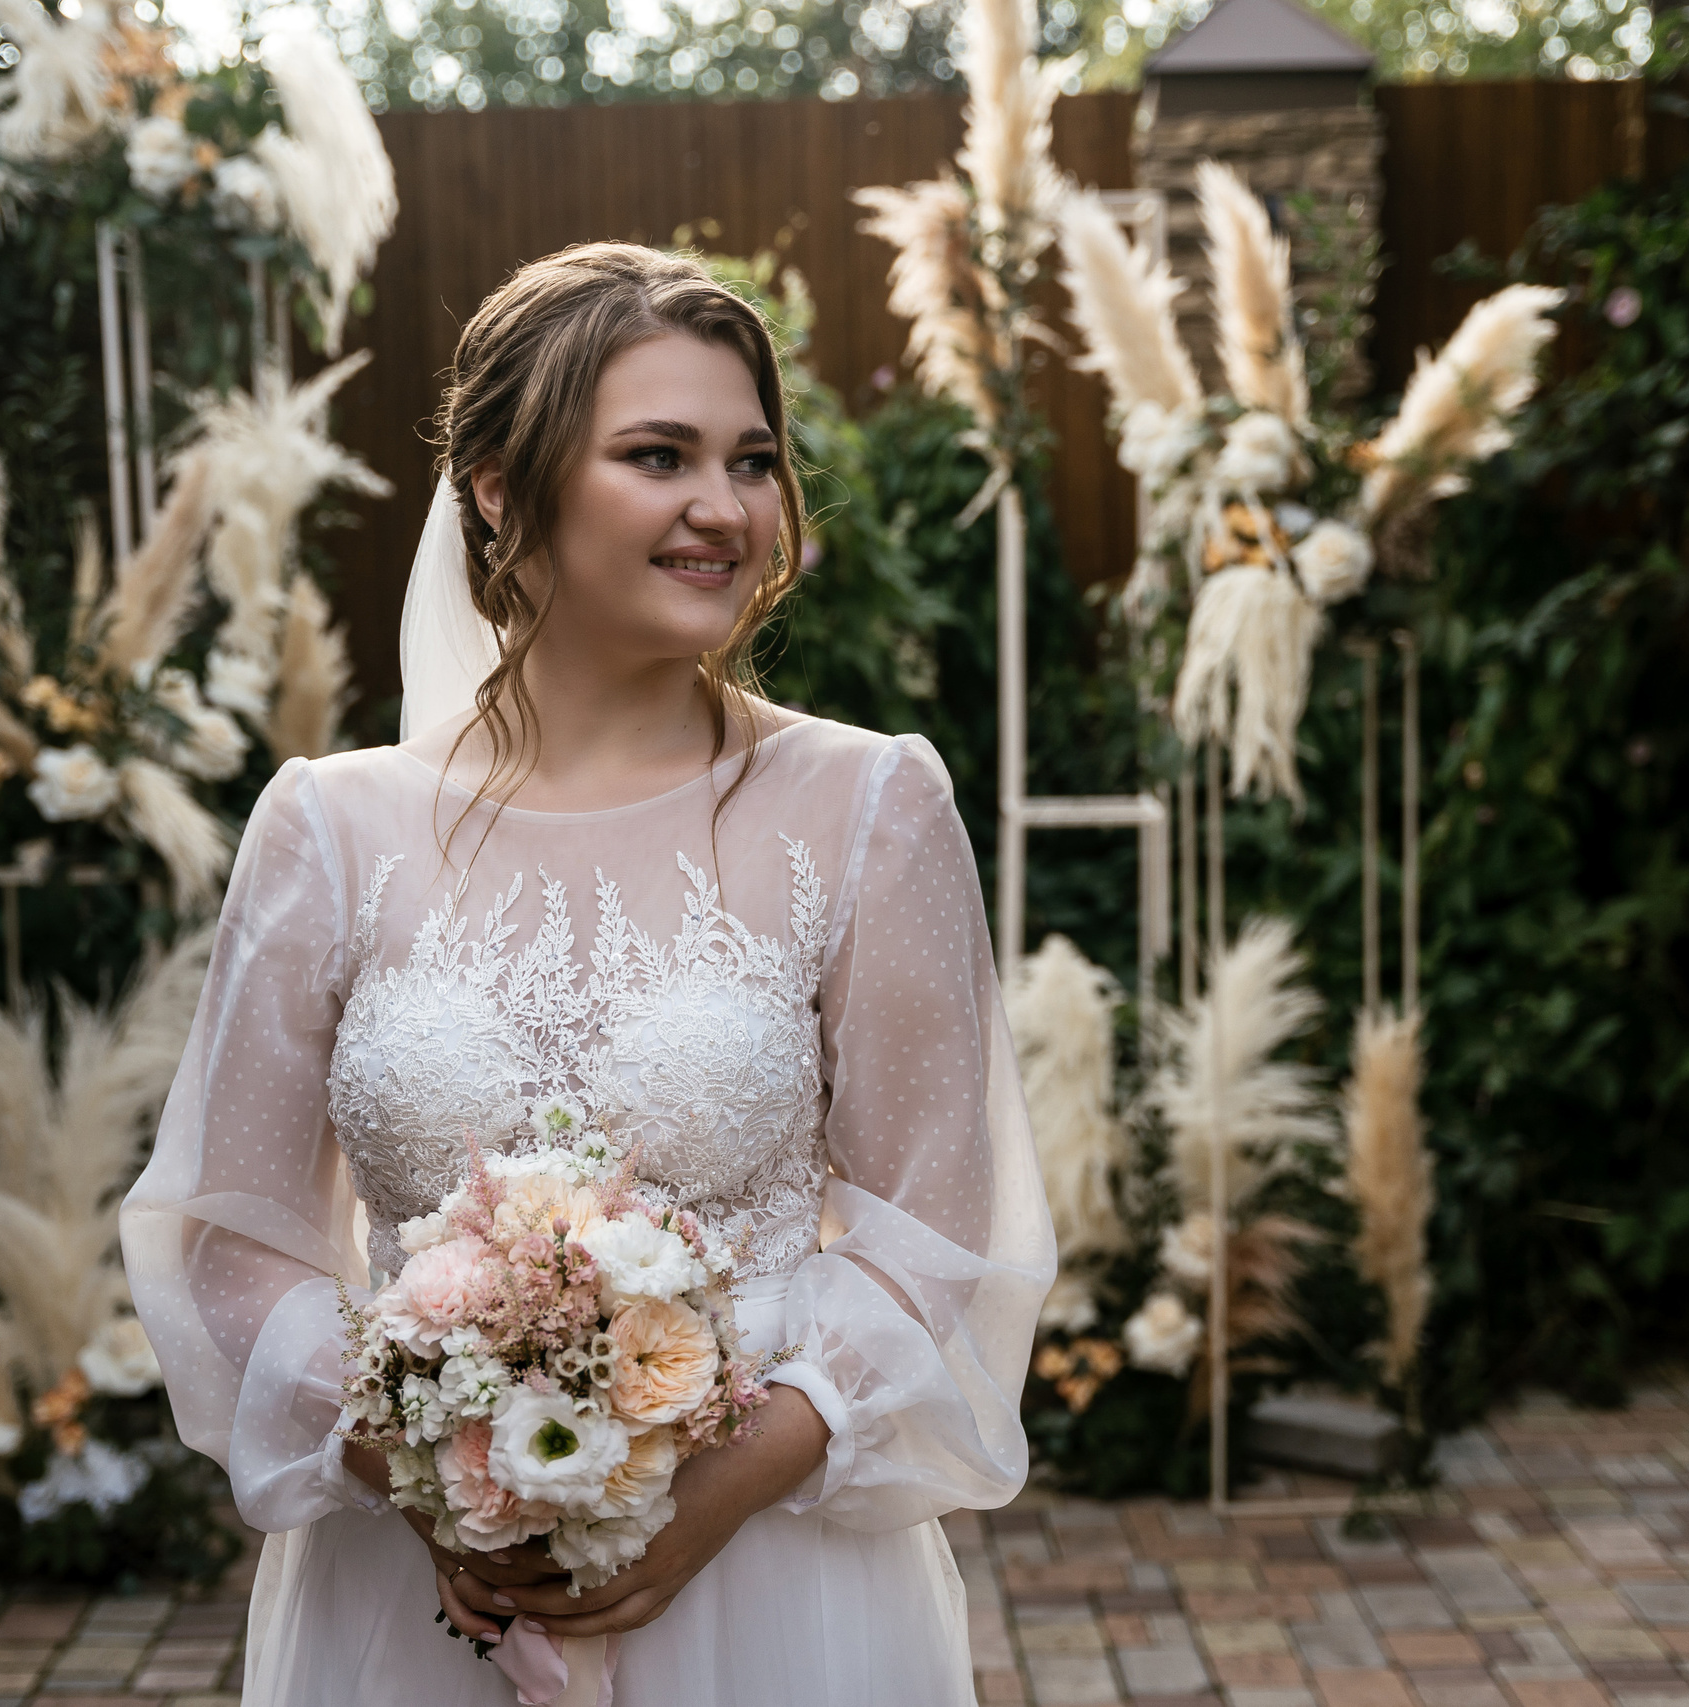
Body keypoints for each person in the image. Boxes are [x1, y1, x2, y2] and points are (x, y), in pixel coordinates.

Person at [122, 242, 1053, 1707]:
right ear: (500, 487)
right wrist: (430, 1469)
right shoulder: (328, 825)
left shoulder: (868, 807)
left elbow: (928, 1230)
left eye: (753, 460)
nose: (724, 508)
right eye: (659, 455)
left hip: (769, 1588)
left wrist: (704, 1505)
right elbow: (234, 1240)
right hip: (412, 1598)